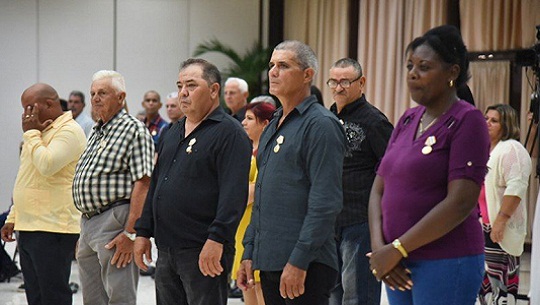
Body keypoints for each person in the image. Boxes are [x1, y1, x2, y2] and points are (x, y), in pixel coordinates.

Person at [367, 25, 490, 305]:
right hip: (396, 262)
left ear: (452, 72)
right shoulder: (408, 119)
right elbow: (377, 190)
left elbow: (460, 202)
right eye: (410, 65)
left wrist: (397, 248)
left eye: (424, 67)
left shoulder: (468, 121)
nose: (412, 73)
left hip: (446, 260)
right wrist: (380, 249)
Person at [133, 58, 252, 305]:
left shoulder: (230, 133)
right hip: (166, 248)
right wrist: (143, 231)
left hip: (203, 247)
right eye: (179, 86)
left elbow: (233, 195)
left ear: (213, 90)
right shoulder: (173, 131)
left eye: (191, 85)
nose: (183, 93)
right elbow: (157, 183)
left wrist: (217, 239)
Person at [238, 40, 346, 305]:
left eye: (283, 66)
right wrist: (249, 251)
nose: (273, 72)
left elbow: (325, 202)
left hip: (307, 263)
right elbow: (262, 195)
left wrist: (299, 260)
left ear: (307, 74)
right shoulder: (273, 125)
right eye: (272, 65)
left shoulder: (321, 125)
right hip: (270, 259)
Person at [72, 70, 154, 305]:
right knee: (92, 298)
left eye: (103, 93)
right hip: (89, 223)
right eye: (93, 93)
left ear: (121, 97)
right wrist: (85, 229)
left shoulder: (133, 130)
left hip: (116, 220)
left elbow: (144, 182)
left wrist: (130, 232)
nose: (96, 98)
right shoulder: (97, 130)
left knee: (120, 296)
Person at [1, 83, 86, 305]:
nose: (26, 115)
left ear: (48, 104)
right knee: (35, 295)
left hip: (52, 227)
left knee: (53, 295)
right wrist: (13, 217)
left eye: (30, 107)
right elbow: (27, 178)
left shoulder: (69, 131)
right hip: (28, 225)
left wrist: (30, 133)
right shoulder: (40, 132)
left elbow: (47, 165)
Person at [327, 58, 393, 305]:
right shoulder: (327, 117)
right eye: (333, 81)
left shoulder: (375, 121)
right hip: (329, 220)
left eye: (345, 81)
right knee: (332, 294)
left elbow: (392, 169)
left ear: (361, 83)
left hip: (360, 221)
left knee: (358, 295)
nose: (338, 87)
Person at [478, 104, 531, 305]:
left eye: (494, 120)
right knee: (485, 292)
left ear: (506, 125)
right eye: (486, 118)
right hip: (484, 227)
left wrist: (500, 222)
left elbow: (516, 188)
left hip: (501, 230)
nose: (487, 123)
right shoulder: (486, 149)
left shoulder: (512, 149)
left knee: (500, 292)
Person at [232, 101, 276, 305]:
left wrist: (229, 191)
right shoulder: (246, 150)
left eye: (250, 119)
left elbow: (255, 192)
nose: (243, 122)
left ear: (265, 124)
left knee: (258, 286)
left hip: (257, 226)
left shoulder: (268, 154)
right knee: (246, 287)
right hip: (240, 229)